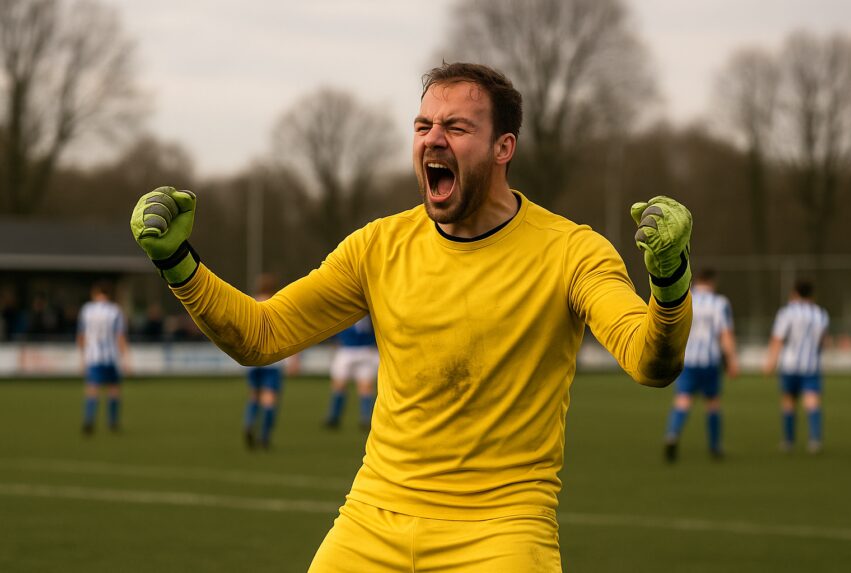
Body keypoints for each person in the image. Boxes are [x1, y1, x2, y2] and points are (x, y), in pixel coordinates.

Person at [130, 62, 693, 572]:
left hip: (502, 532)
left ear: (503, 148)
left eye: (456, 127)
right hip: (373, 518)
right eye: (423, 127)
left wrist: (668, 283)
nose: (433, 140)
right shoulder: (378, 246)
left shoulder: (573, 251)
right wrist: (179, 263)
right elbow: (261, 335)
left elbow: (650, 361)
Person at [663, 268, 739, 462]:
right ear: (713, 282)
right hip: (710, 361)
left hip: (687, 359)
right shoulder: (720, 303)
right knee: (712, 403)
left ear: (697, 280)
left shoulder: (686, 298)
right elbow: (725, 334)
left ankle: (672, 435)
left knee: (683, 400)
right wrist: (731, 360)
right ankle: (714, 447)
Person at [764, 279, 829, 454]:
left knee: (788, 401)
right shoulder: (821, 314)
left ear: (794, 293)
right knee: (812, 401)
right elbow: (823, 342)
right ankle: (814, 441)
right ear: (812, 295)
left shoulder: (787, 313)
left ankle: (789, 441)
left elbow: (778, 339)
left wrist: (771, 362)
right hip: (811, 365)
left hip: (790, 365)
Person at [243, 274, 299, 450]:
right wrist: (294, 359)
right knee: (269, 400)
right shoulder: (278, 305)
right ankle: (264, 437)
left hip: (252, 359)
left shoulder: (249, 304)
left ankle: (249, 422)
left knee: (254, 395)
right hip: (273, 360)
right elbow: (288, 334)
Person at [78, 281, 129, 434]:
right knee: (113, 388)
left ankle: (89, 421)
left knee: (92, 388)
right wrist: (126, 358)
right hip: (111, 356)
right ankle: (113, 423)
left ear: (95, 293)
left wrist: (82, 357)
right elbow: (120, 336)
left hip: (93, 356)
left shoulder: (87, 310)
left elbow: (81, 336)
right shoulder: (115, 311)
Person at [323, 315, 379, 431]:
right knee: (339, 384)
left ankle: (366, 418)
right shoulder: (346, 308)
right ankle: (334, 417)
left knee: (366, 386)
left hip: (366, 349)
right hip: (347, 349)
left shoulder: (372, 311)